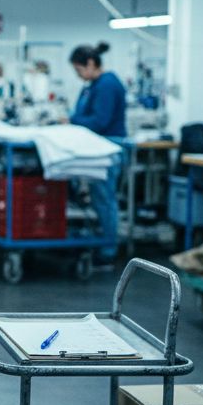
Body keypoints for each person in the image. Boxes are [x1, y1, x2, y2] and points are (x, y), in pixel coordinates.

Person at [68, 41, 127, 266]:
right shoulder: (93, 85)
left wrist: (72, 121)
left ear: (91, 64)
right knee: (97, 197)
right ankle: (100, 240)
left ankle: (108, 250)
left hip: (108, 147)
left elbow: (100, 121)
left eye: (79, 70)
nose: (79, 75)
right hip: (96, 147)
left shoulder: (107, 85)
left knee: (104, 199)